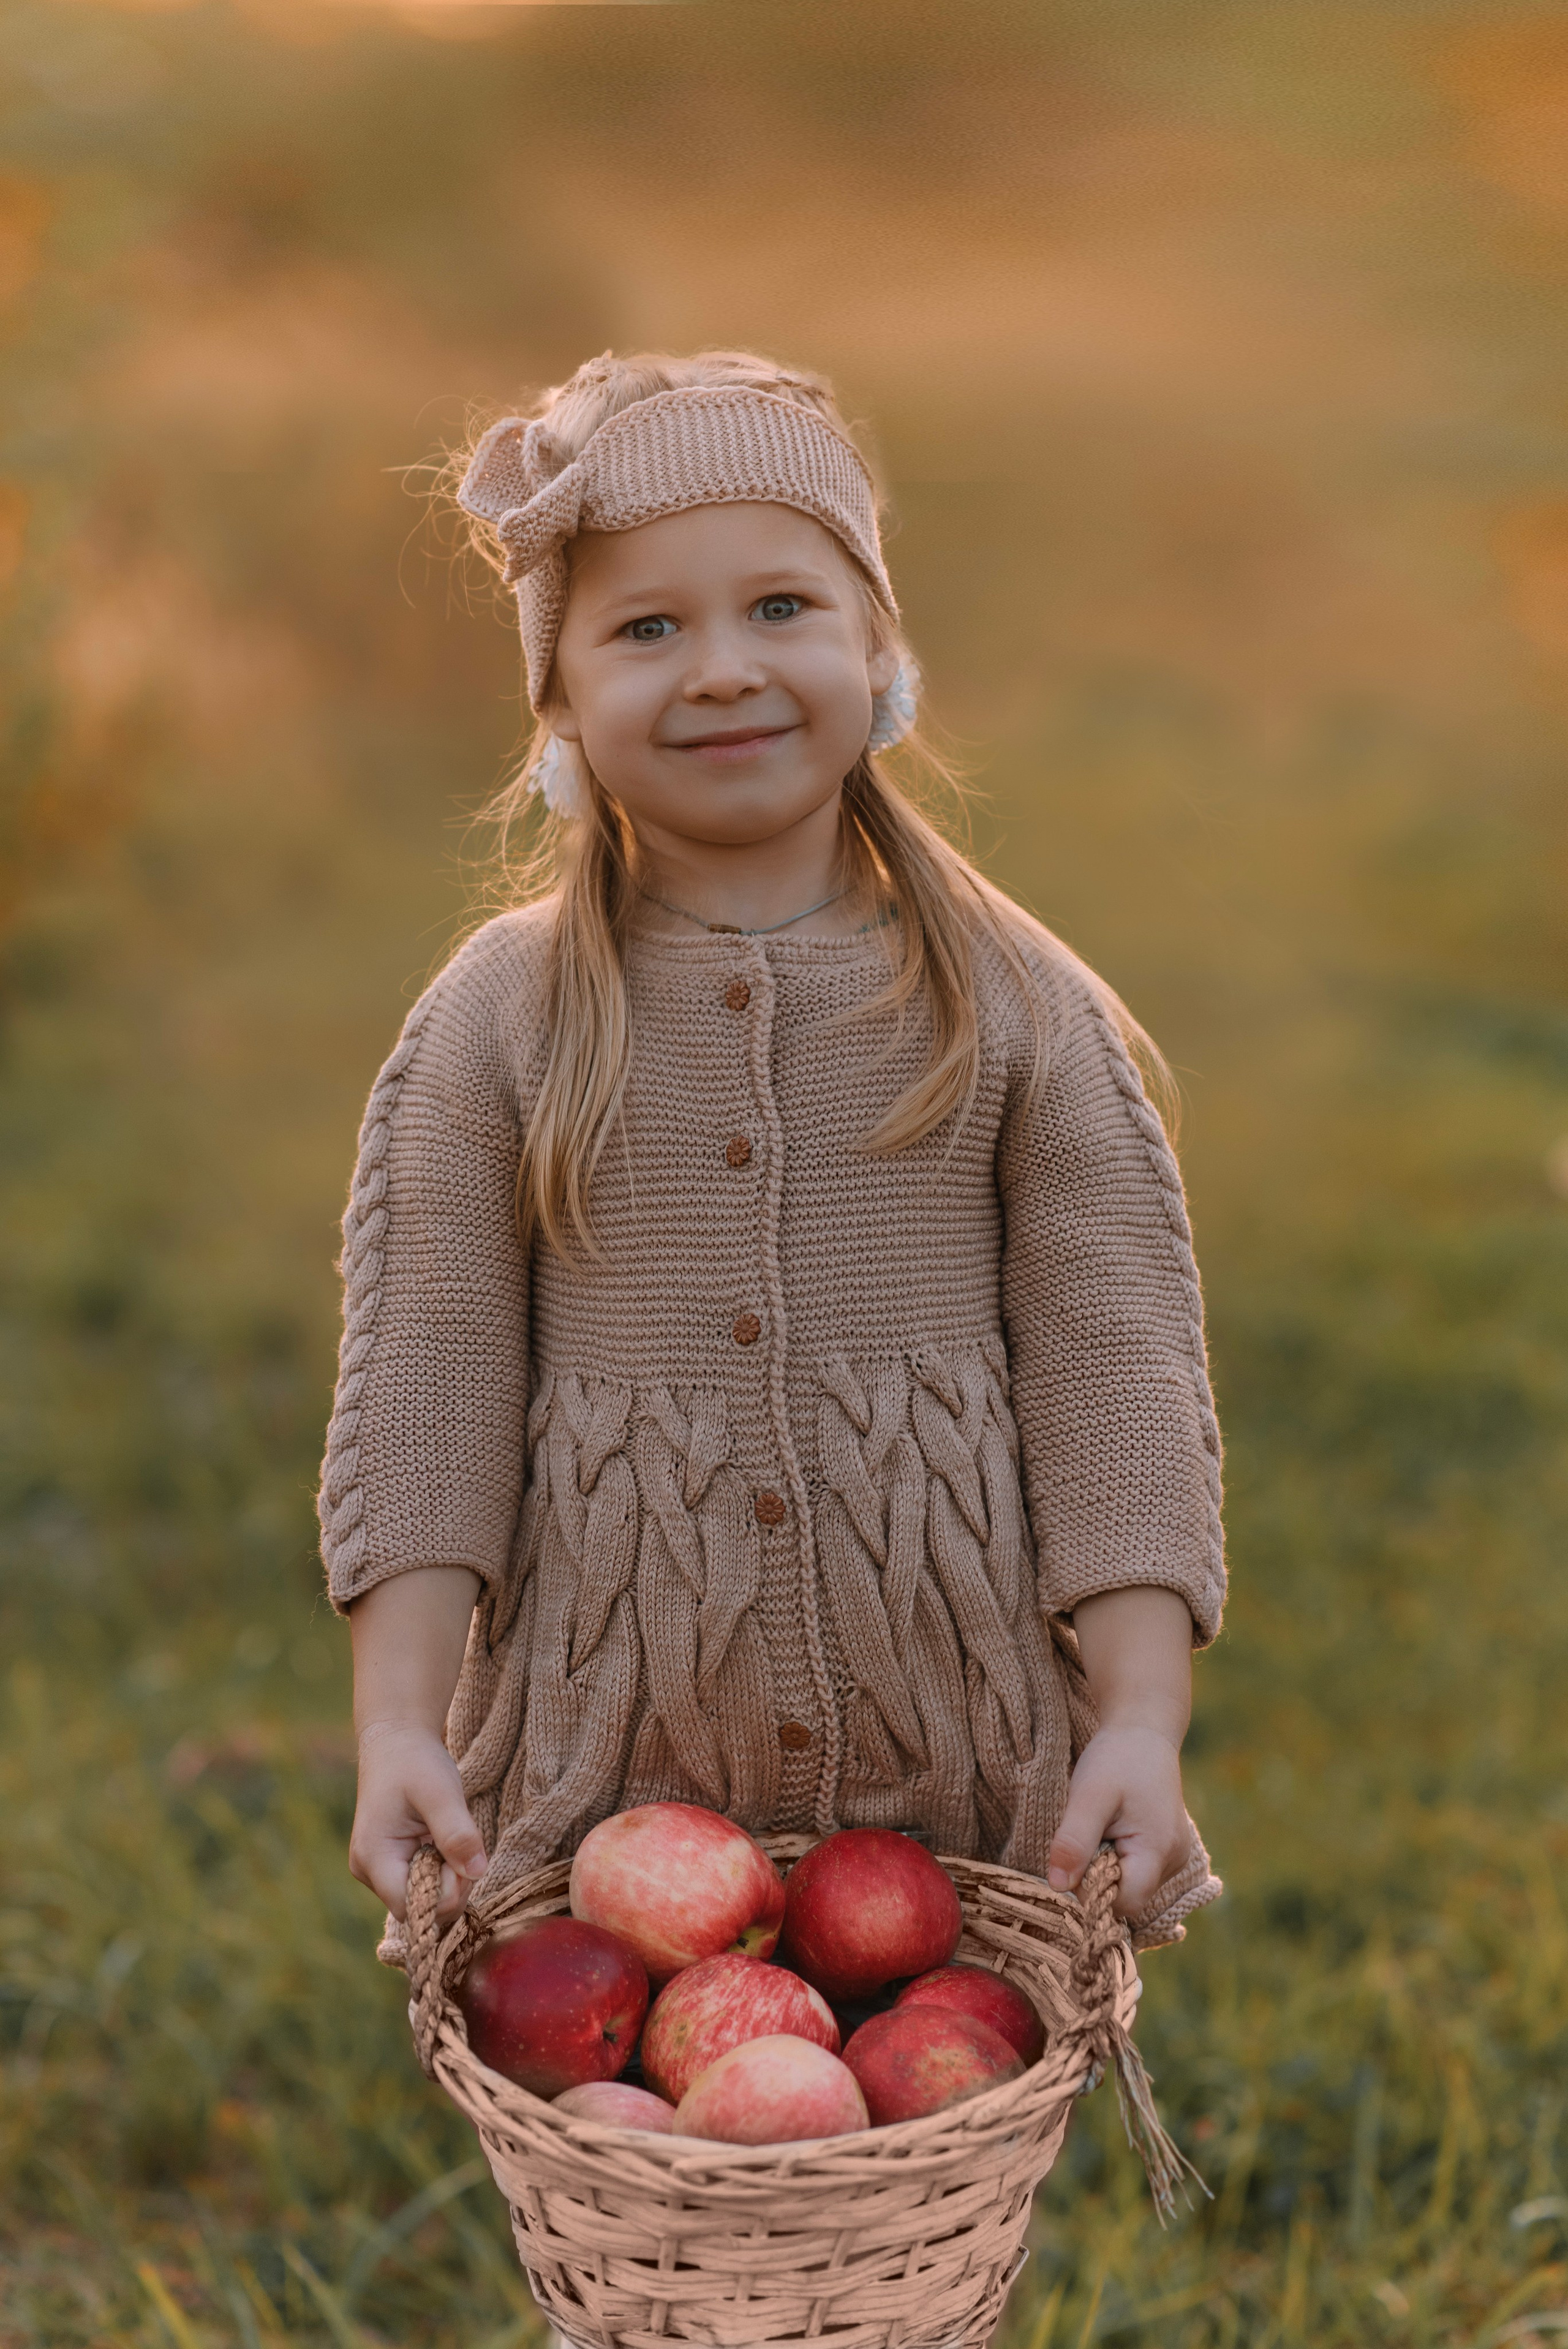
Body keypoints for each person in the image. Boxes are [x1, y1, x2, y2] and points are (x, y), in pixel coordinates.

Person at [320, 348, 1224, 1961]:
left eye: (782, 608)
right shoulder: (499, 1020)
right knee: (638, 2206)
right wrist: (400, 1722)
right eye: (646, 628)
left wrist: (1140, 1716)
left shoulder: (1012, 1005)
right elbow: (423, 1390)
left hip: (961, 1795)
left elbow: (1120, 1378)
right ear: (563, 704)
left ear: (881, 648)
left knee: (929, 2200)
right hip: (610, 1810)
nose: (722, 668)